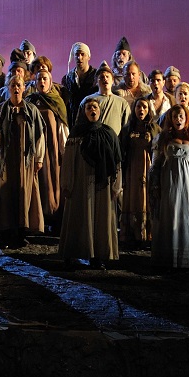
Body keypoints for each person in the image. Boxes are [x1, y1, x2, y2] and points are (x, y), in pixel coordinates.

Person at [58, 96, 120, 269]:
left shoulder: (108, 133)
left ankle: (97, 256)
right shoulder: (76, 134)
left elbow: (116, 161)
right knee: (78, 215)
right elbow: (68, 161)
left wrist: (116, 185)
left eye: (95, 107)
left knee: (100, 218)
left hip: (102, 183)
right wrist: (67, 183)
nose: (92, 110)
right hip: (80, 182)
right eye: (89, 108)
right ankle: (72, 252)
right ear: (83, 112)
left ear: (100, 111)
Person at [0, 77, 46, 248]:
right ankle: (6, 232)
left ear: (24, 88)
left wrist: (39, 158)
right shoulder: (0, 110)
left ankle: (21, 232)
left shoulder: (31, 110)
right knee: (5, 194)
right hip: (5, 159)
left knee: (23, 193)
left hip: (24, 160)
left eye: (19, 85)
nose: (16, 88)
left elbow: (39, 136)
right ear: (8, 88)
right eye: (13, 85)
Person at [149, 105, 189, 269]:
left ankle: (185, 260)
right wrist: (155, 185)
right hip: (170, 181)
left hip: (188, 183)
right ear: (171, 119)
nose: (178, 119)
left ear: (186, 118)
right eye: (175, 117)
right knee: (170, 216)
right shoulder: (162, 139)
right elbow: (155, 164)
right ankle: (168, 259)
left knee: (187, 217)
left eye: (181, 116)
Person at [26, 63, 67, 230]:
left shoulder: (57, 102)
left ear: (50, 82)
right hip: (33, 150)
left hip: (51, 151)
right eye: (39, 79)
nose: (42, 82)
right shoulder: (30, 101)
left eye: (45, 79)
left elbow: (62, 128)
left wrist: (64, 151)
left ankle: (53, 218)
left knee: (51, 183)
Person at [118, 97, 159, 248]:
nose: (141, 110)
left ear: (148, 110)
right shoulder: (127, 129)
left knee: (147, 198)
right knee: (132, 198)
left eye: (144, 107)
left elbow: (159, 149)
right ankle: (131, 234)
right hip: (131, 168)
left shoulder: (154, 128)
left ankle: (147, 235)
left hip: (148, 169)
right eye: (138, 107)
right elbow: (121, 149)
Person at [80, 62, 129, 137]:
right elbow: (80, 125)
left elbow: (126, 129)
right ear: (96, 81)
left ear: (112, 80)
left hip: (113, 142)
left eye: (107, 76)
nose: (105, 79)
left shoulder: (122, 103)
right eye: (102, 77)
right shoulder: (87, 101)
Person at [61, 43, 96, 126]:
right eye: (77, 54)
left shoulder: (96, 76)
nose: (79, 57)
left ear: (88, 57)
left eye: (82, 54)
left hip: (91, 121)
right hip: (73, 122)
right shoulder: (67, 78)